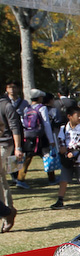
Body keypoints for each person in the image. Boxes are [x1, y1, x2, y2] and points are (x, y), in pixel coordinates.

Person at [52, 105, 80, 209]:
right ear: (69, 116)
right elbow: (61, 140)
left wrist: (71, 151)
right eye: (77, 116)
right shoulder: (64, 128)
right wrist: (63, 148)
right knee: (64, 179)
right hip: (67, 159)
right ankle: (60, 200)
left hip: (79, 160)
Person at [16, 88, 56, 188]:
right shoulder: (42, 108)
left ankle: (20, 179)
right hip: (41, 137)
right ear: (39, 98)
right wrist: (51, 139)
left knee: (27, 158)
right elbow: (46, 124)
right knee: (47, 157)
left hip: (29, 137)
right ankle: (52, 178)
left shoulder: (27, 108)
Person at [0, 87, 23, 225]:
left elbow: (15, 127)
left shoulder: (6, 106)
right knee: (2, 178)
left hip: (4, 145)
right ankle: (7, 211)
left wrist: (18, 147)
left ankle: (6, 212)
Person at [5, 81, 28, 188]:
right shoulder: (5, 102)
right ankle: (14, 176)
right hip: (7, 131)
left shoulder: (23, 103)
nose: (12, 89)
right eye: (10, 87)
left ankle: (18, 176)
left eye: (14, 87)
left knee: (18, 153)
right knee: (9, 154)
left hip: (20, 130)